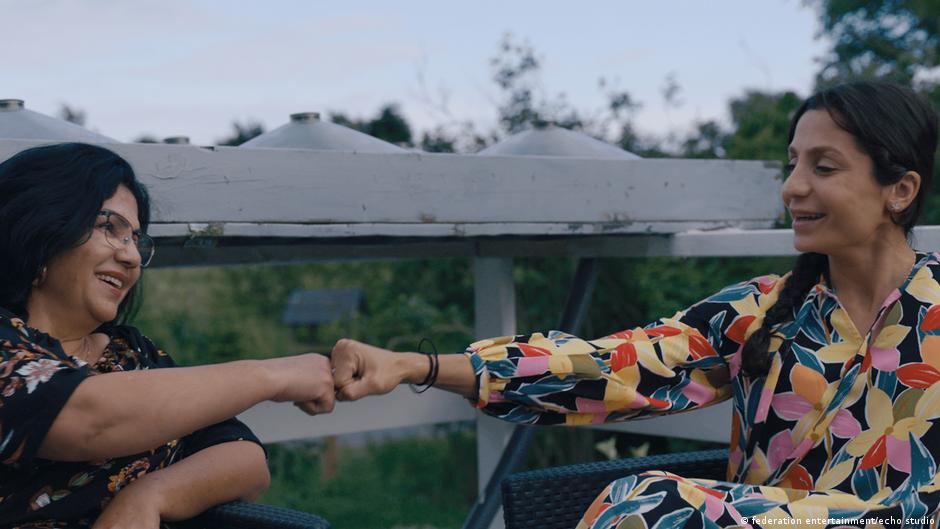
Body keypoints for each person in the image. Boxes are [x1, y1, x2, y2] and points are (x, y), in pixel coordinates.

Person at [330, 81, 940, 528]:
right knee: (643, 504)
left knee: (649, 506)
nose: (792, 186)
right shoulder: (760, 311)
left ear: (901, 189)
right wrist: (418, 366)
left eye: (824, 166)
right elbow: (609, 369)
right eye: (792, 164)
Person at [0, 143, 336, 529]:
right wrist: (272, 376)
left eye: (136, 240)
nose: (131, 257)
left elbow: (245, 460)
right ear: (42, 225)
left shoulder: (133, 354)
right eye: (110, 228)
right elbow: (87, 418)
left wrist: (149, 496)